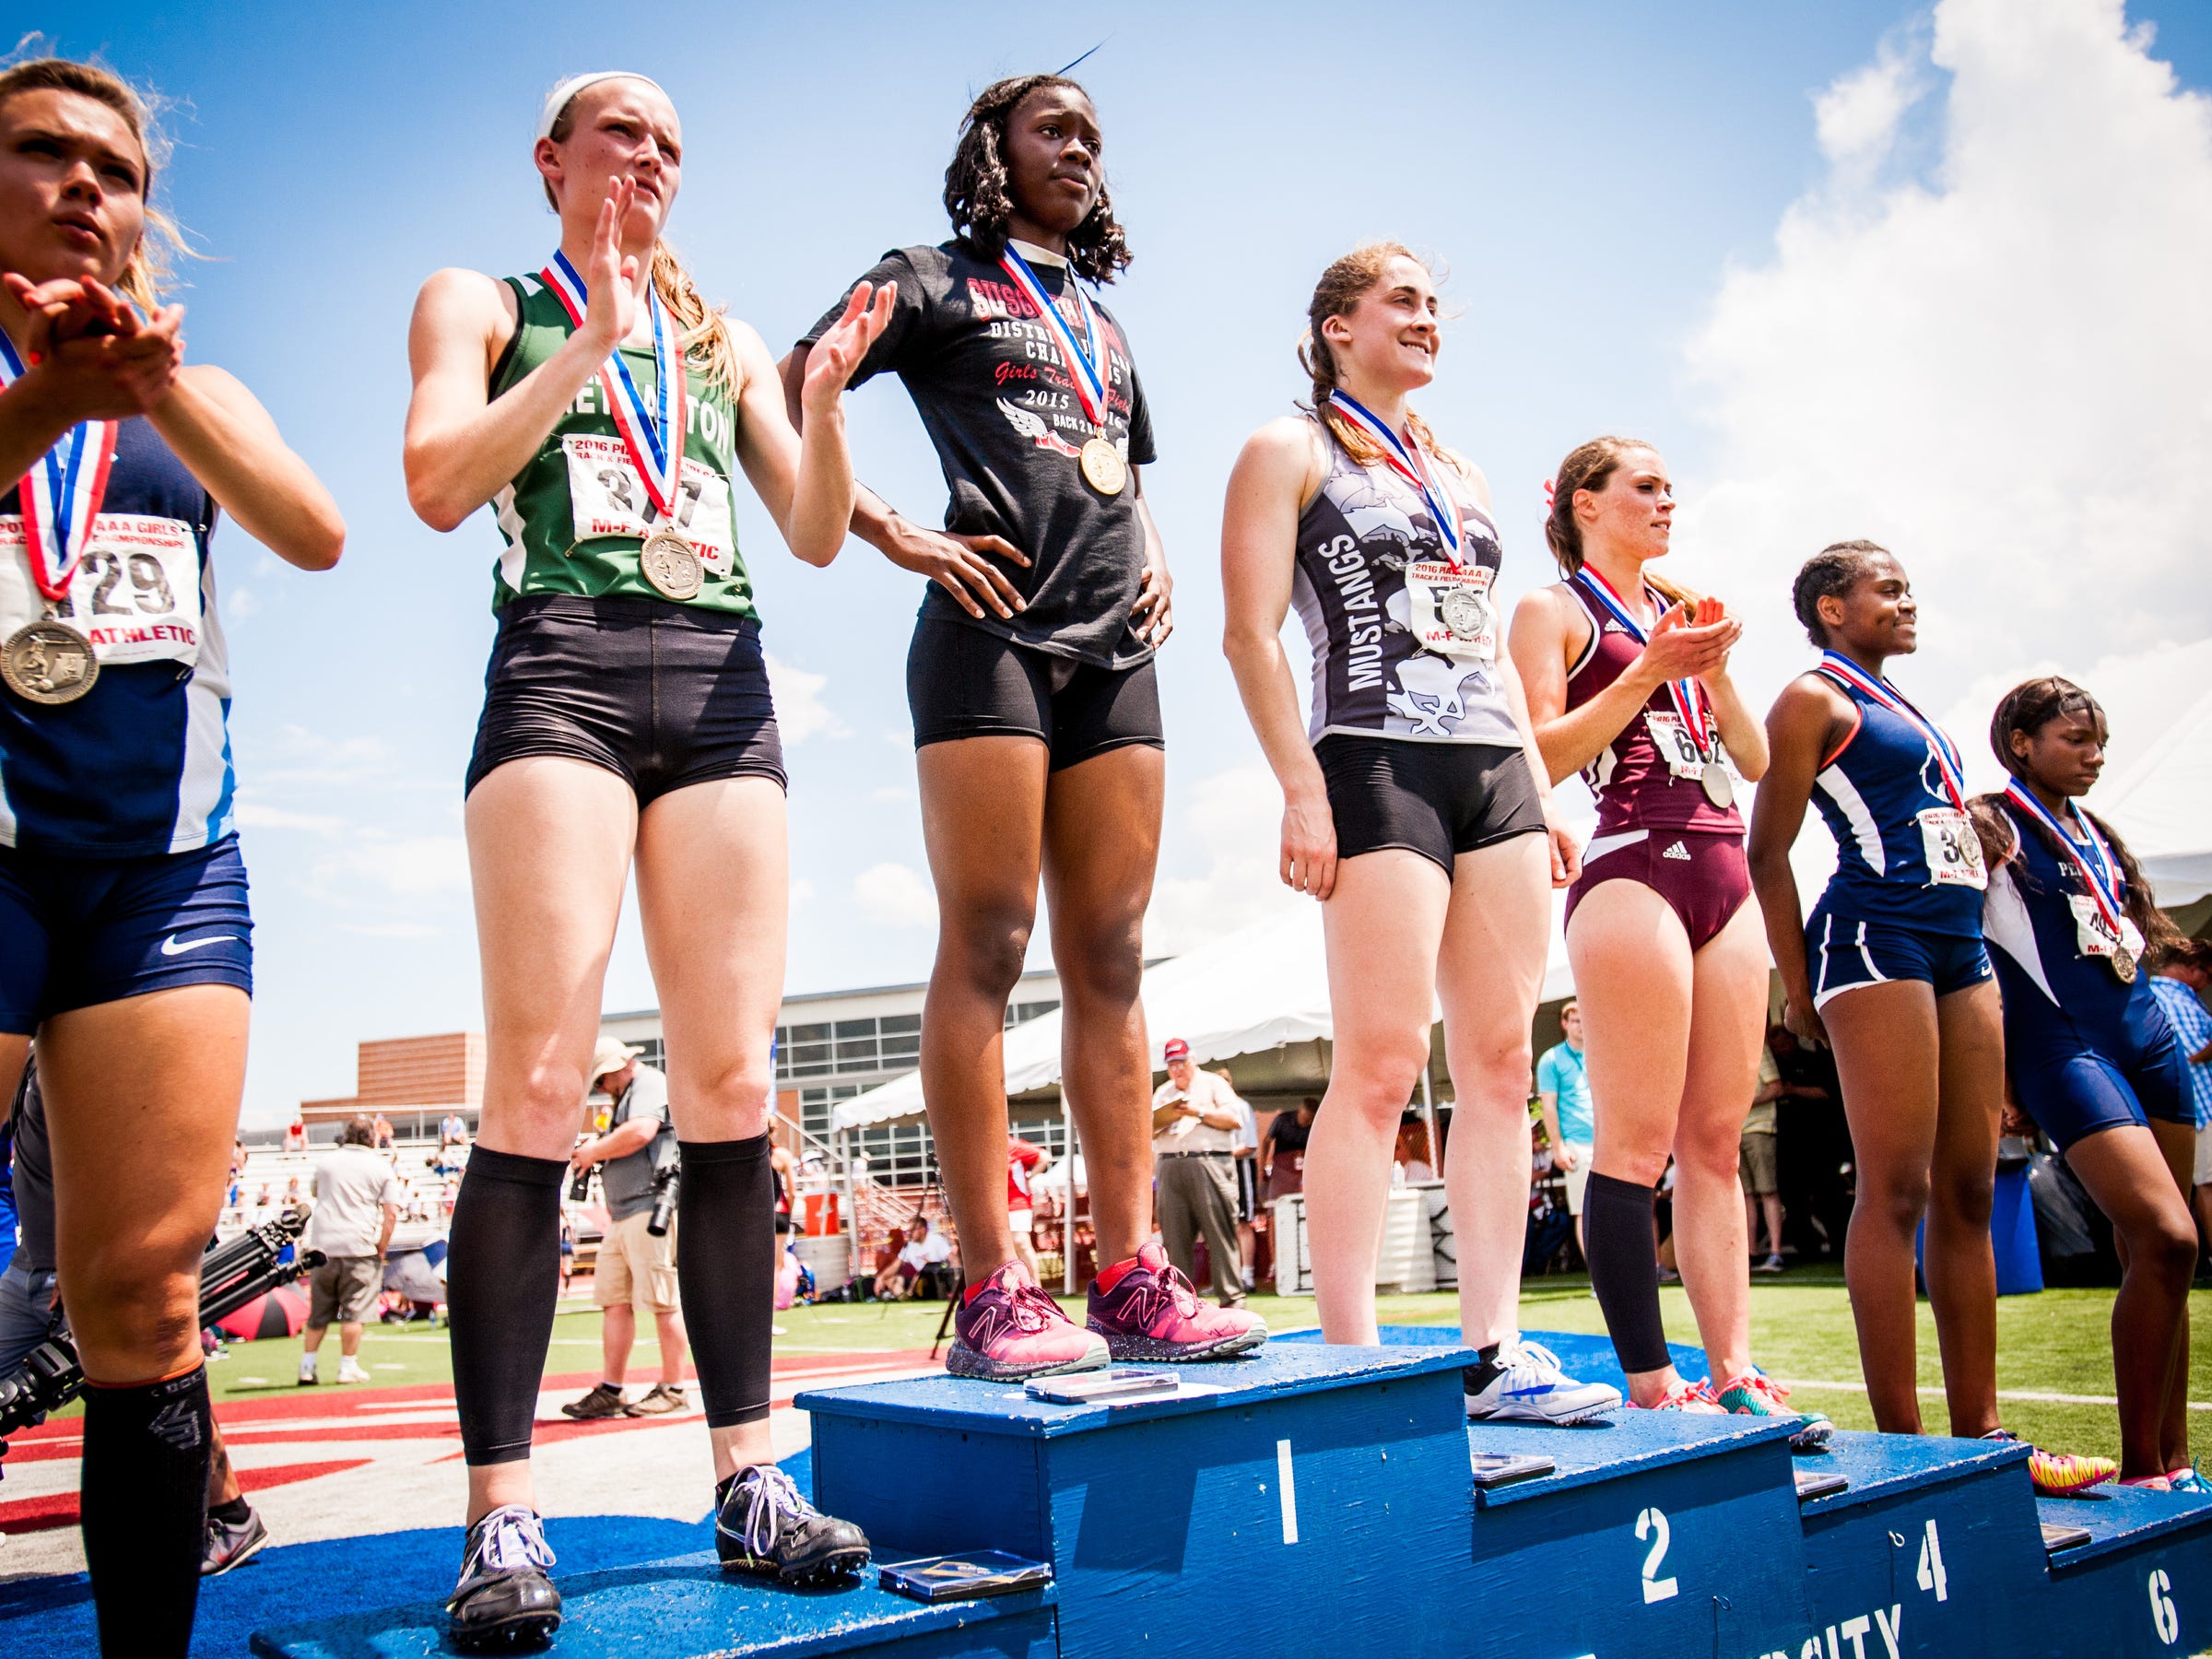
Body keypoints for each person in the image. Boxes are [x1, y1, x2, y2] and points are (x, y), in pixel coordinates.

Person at [403, 71, 888, 1646]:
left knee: (733, 1085)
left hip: (724, 674)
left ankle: (750, 1477)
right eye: (624, 132)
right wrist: (594, 349)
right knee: (542, 1086)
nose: (653, 157)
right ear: (552, 158)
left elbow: (810, 532)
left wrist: (814, 405)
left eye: (674, 141)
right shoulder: (480, 297)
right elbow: (436, 481)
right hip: (563, 667)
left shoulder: (724, 330)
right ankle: (501, 1509)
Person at [782, 73, 1260, 1379]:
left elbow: (1124, 470)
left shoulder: (1102, 323)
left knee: (1111, 953)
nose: (1081, 148)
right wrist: (899, 532)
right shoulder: (929, 279)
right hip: (988, 634)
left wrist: (1153, 545)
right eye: (1053, 128)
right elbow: (785, 388)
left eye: (1095, 134)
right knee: (989, 942)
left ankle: (1130, 1276)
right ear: (992, 151)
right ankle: (995, 1288)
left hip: (1119, 651)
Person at [0, 56, 344, 1653]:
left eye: (117, 170)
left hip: (161, 876)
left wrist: (144, 389)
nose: (87, 186)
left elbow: (312, 525)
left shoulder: (193, 389)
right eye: (44, 154)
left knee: (143, 1301)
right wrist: (41, 408)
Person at [1220, 243, 1615, 1424]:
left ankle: (1494, 1352)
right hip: (1373, 756)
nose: (1428, 318)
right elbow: (1251, 636)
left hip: (1493, 764)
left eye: (1439, 304)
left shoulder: (1465, 468)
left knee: (1498, 1063)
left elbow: (1487, 641)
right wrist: (1300, 789)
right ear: (1338, 325)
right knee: (1385, 1062)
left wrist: (1543, 784)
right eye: (1404, 301)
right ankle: (1356, 1362)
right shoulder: (1285, 449)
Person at [1747, 543, 2107, 1494]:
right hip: (1874, 942)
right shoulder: (1812, 699)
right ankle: (1903, 1448)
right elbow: (1766, 850)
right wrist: (1795, 980)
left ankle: (1984, 1436)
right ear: (1832, 607)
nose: (1909, 602)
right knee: (1895, 1190)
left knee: (1972, 1189)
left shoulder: (1906, 706)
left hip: (1959, 945)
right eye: (1888, 590)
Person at [1510, 436, 1815, 1439]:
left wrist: (1714, 670)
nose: (1666, 501)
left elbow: (1758, 757)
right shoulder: (1552, 611)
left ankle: (1735, 1369)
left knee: (1716, 1143)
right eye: (1645, 487)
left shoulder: (1686, 606)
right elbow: (1539, 758)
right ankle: (1650, 1378)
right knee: (1634, 1146)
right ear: (1584, 504)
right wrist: (1649, 670)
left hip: (1725, 864)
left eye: (1672, 488)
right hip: (1633, 860)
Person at [1971, 677, 2194, 1488]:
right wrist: (1995, 1077)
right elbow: (1969, 957)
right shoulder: (1991, 825)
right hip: (2064, 1047)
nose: (2094, 756)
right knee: (2170, 1235)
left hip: (2149, 1036)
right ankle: (2142, 1466)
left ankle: (2175, 1461)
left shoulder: (2095, 829)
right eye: (2075, 740)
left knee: (2161, 1255)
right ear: (2022, 742)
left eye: (2099, 741)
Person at [1, 1061, 268, 1576]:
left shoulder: (92, 1056)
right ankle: (229, 1517)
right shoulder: (34, 1059)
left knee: (156, 1399)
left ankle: (232, 1518)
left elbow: (128, 1169)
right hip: (32, 1267)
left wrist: (86, 1265)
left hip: (88, 1269)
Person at [560, 1039, 688, 1421]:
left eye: (601, 1080)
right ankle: (612, 1388)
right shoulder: (633, 1089)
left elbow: (641, 1131)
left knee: (663, 1302)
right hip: (626, 1214)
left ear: (618, 1068)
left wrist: (593, 1151)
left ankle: (674, 1387)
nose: (600, 1088)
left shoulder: (648, 1083)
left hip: (648, 1208)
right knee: (615, 1302)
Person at [299, 1114, 405, 1386]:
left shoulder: (326, 1163)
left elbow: (315, 1192)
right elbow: (391, 1212)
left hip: (323, 1246)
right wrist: (382, 1246)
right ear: (372, 1138)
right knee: (355, 1312)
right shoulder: (380, 1167)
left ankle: (307, 1366)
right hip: (359, 1246)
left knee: (319, 1313)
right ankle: (347, 1366)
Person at [1148, 1040, 1247, 1308]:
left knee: (1219, 1232)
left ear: (1193, 1061)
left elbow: (1234, 1120)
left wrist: (1197, 1112)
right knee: (1174, 1238)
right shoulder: (1163, 1092)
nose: (1177, 1069)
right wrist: (1163, 1119)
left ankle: (1232, 1300)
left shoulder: (1214, 1083)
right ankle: (1180, 1305)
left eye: (1181, 1063)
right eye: (1171, 1065)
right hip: (1170, 1164)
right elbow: (1146, 1128)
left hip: (1209, 1162)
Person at [2150, 939, 2212, 1277]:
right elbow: (2186, 1055)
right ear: (2191, 968)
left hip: (2185, 1109)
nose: (2206, 983)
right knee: (2206, 1186)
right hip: (2197, 1109)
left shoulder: (2166, 996)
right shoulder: (2171, 997)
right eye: (2206, 974)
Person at [1535, 1003, 1595, 1240]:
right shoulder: (1551, 1059)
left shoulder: (1599, 1052)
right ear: (1565, 1024)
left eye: (1584, 1020)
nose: (1581, 1026)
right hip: (1576, 1143)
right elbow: (1548, 1106)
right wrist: (1558, 1147)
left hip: (1606, 1141)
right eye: (1576, 1021)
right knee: (1584, 1210)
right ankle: (1595, 1275)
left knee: (1610, 1210)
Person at [1743, 1044, 1786, 1273]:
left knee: (1768, 1190)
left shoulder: (1758, 1048)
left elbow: (1776, 1088)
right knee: (1745, 1195)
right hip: (1733, 1130)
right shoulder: (1723, 1049)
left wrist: (1744, 1104)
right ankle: (1751, 1253)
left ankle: (1776, 1253)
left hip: (1758, 1127)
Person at [1218, 1068, 1262, 1290]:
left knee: (1242, 1223)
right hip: (1219, 1169)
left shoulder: (1241, 1107)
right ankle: (1229, 1277)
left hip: (1240, 1167)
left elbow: (1250, 1145)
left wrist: (1221, 1153)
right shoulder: (1214, 1111)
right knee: (1223, 1224)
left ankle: (1248, 1276)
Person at [874, 1214, 953, 1300]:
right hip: (918, 1282)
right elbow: (895, 1266)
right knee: (892, 1279)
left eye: (912, 1230)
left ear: (923, 1230)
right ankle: (905, 1299)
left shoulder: (936, 1240)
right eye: (908, 1230)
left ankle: (911, 1294)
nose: (909, 1233)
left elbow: (953, 1259)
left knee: (920, 1276)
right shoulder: (909, 1246)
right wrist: (881, 1277)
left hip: (936, 1278)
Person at [1006, 1132, 1047, 1284]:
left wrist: (1029, 1177)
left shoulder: (1011, 1145)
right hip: (995, 1202)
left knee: (1020, 1241)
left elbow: (1044, 1156)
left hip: (1016, 1201)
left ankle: (1035, 1286)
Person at [1263, 1097, 1317, 1202]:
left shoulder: (1315, 1125)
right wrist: (1263, 1165)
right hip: (1282, 1171)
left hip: (1303, 1170)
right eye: (1305, 1120)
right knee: (1277, 1199)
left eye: (1311, 1120)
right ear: (1299, 1112)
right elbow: (1267, 1141)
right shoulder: (1282, 1120)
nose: (1308, 1123)